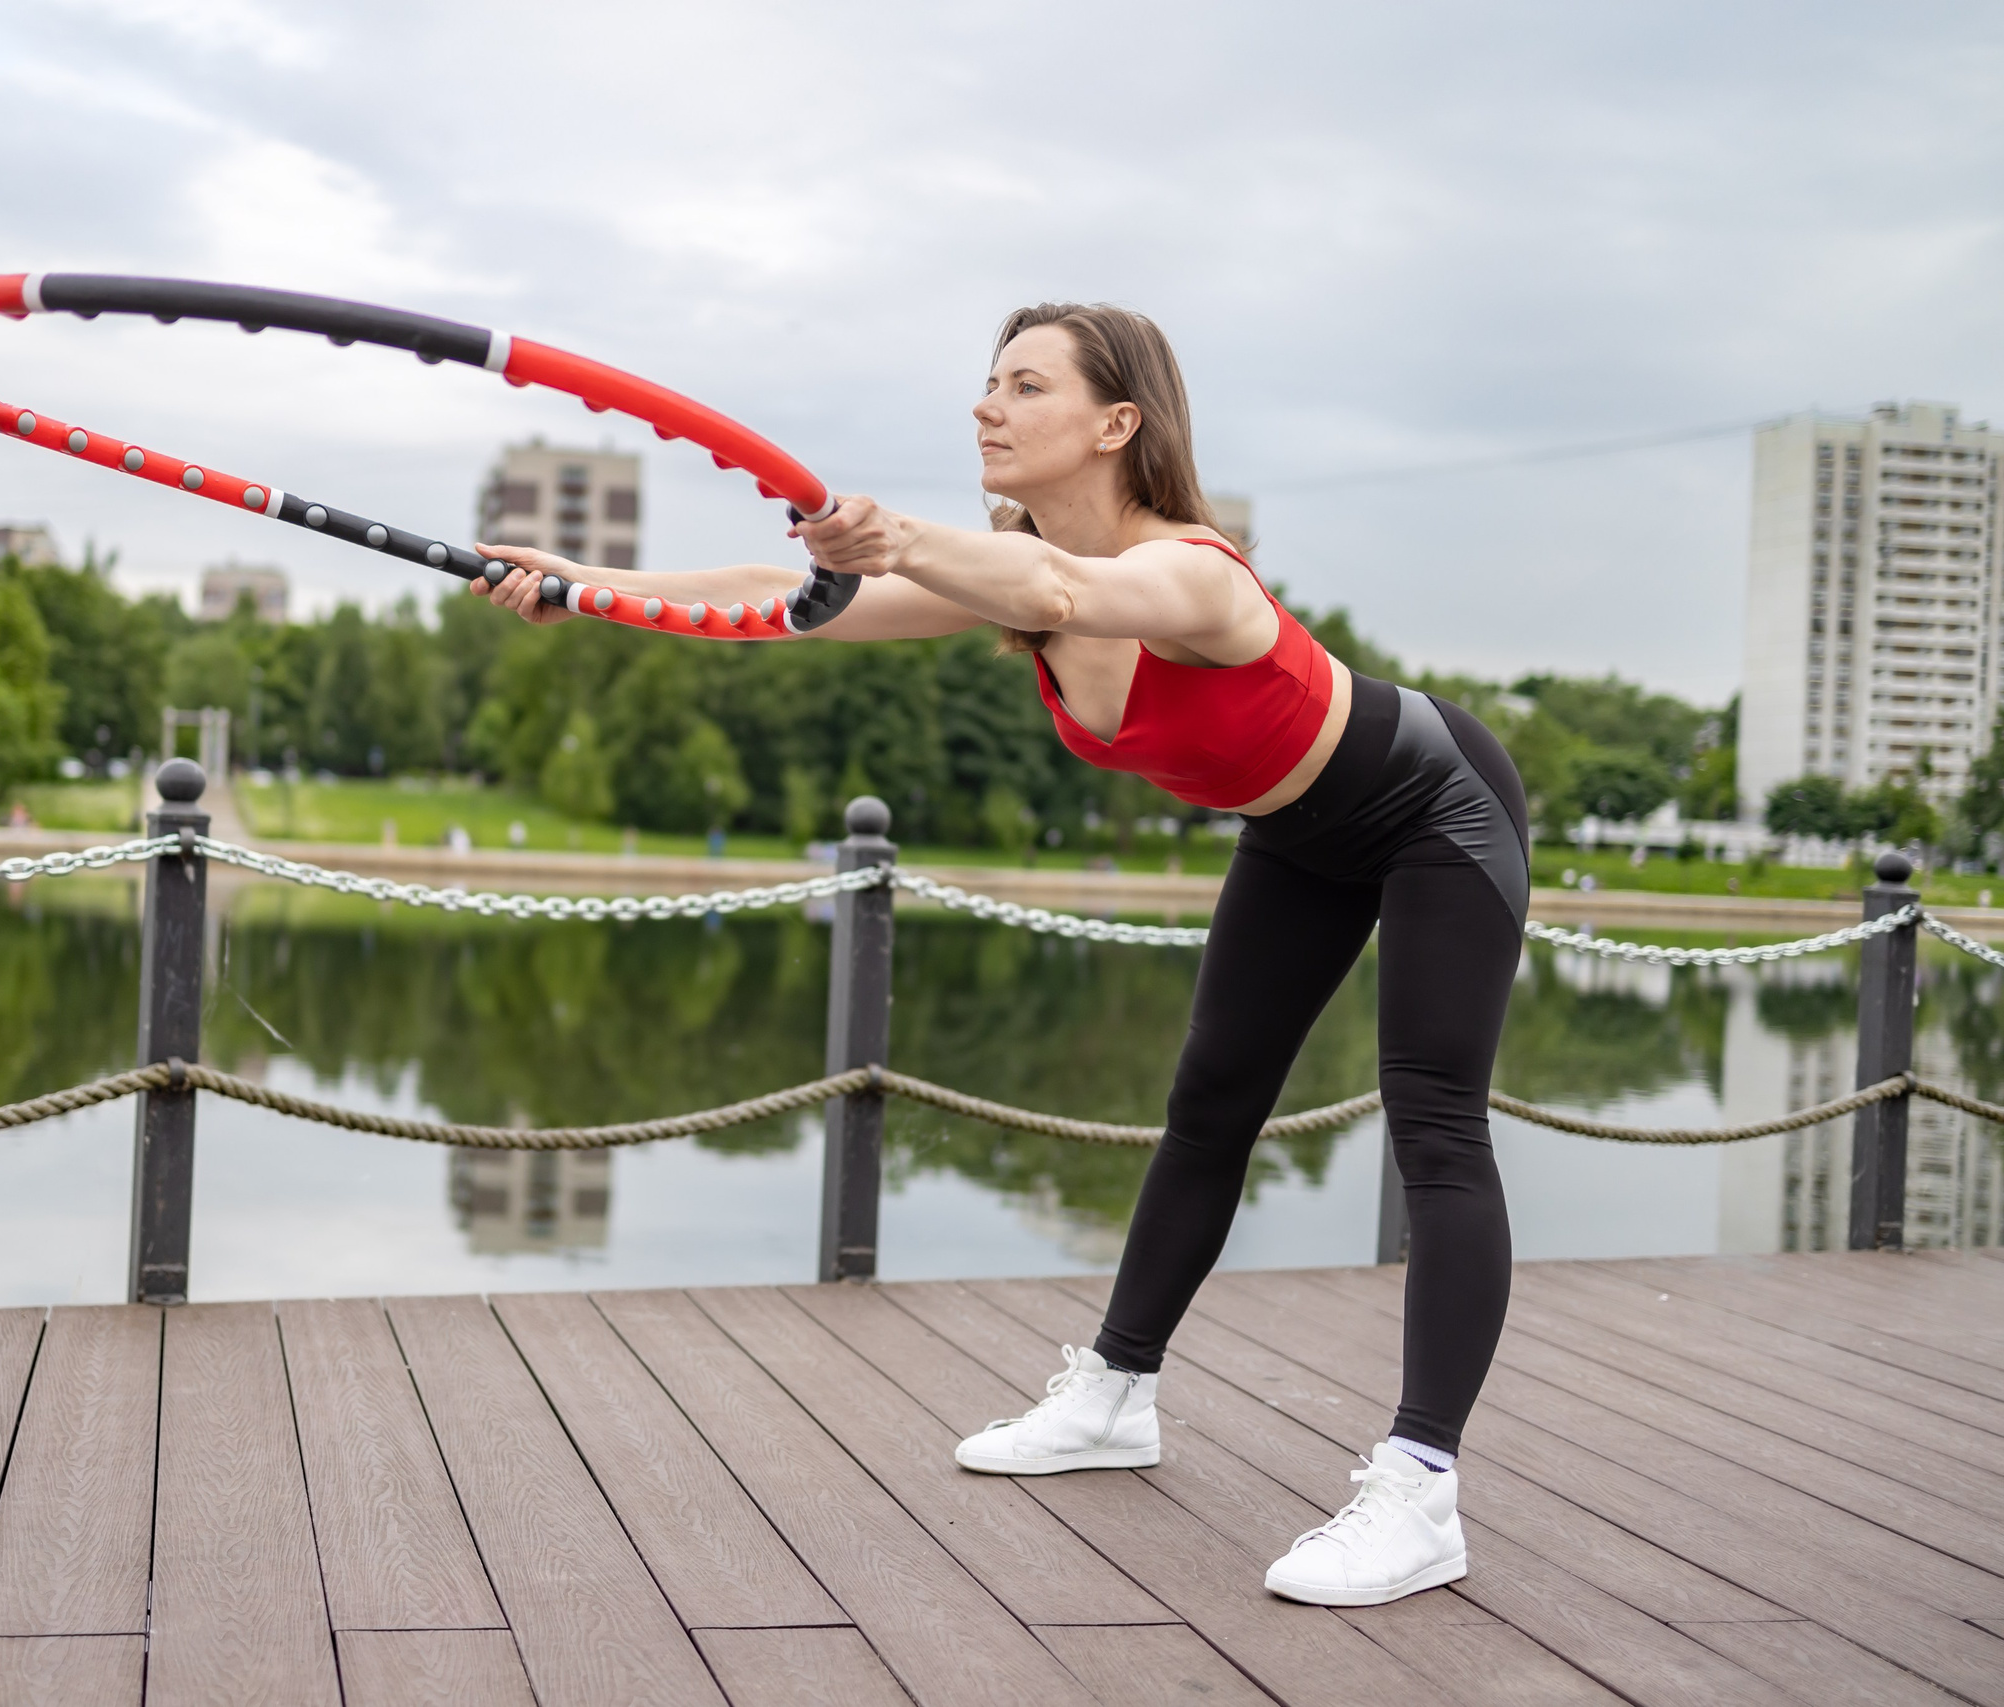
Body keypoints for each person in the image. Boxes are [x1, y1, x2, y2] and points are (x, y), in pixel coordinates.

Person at [476, 302, 1525, 1607]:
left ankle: (1421, 1492)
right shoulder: (1016, 579)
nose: (987, 406)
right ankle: (1115, 1396)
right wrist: (587, 587)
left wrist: (902, 533)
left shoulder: (1194, 573)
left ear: (1117, 423)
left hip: (1435, 808)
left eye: (1026, 386)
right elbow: (784, 598)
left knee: (1435, 1126)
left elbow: (1066, 589)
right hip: (1297, 832)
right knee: (1208, 1107)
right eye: (989, 383)